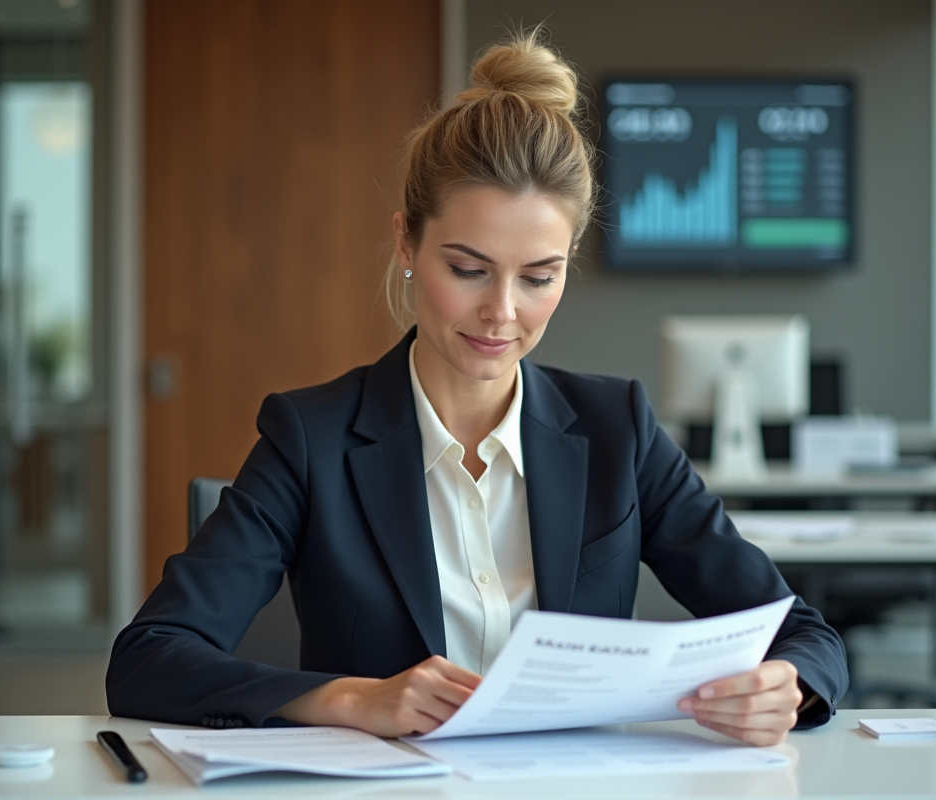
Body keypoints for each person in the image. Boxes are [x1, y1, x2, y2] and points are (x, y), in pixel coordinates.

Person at [107, 30, 848, 747]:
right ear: (406, 242)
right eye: (467, 269)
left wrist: (788, 684)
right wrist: (355, 699)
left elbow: (802, 633)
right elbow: (149, 658)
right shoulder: (313, 438)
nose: (502, 312)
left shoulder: (617, 429)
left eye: (539, 277)